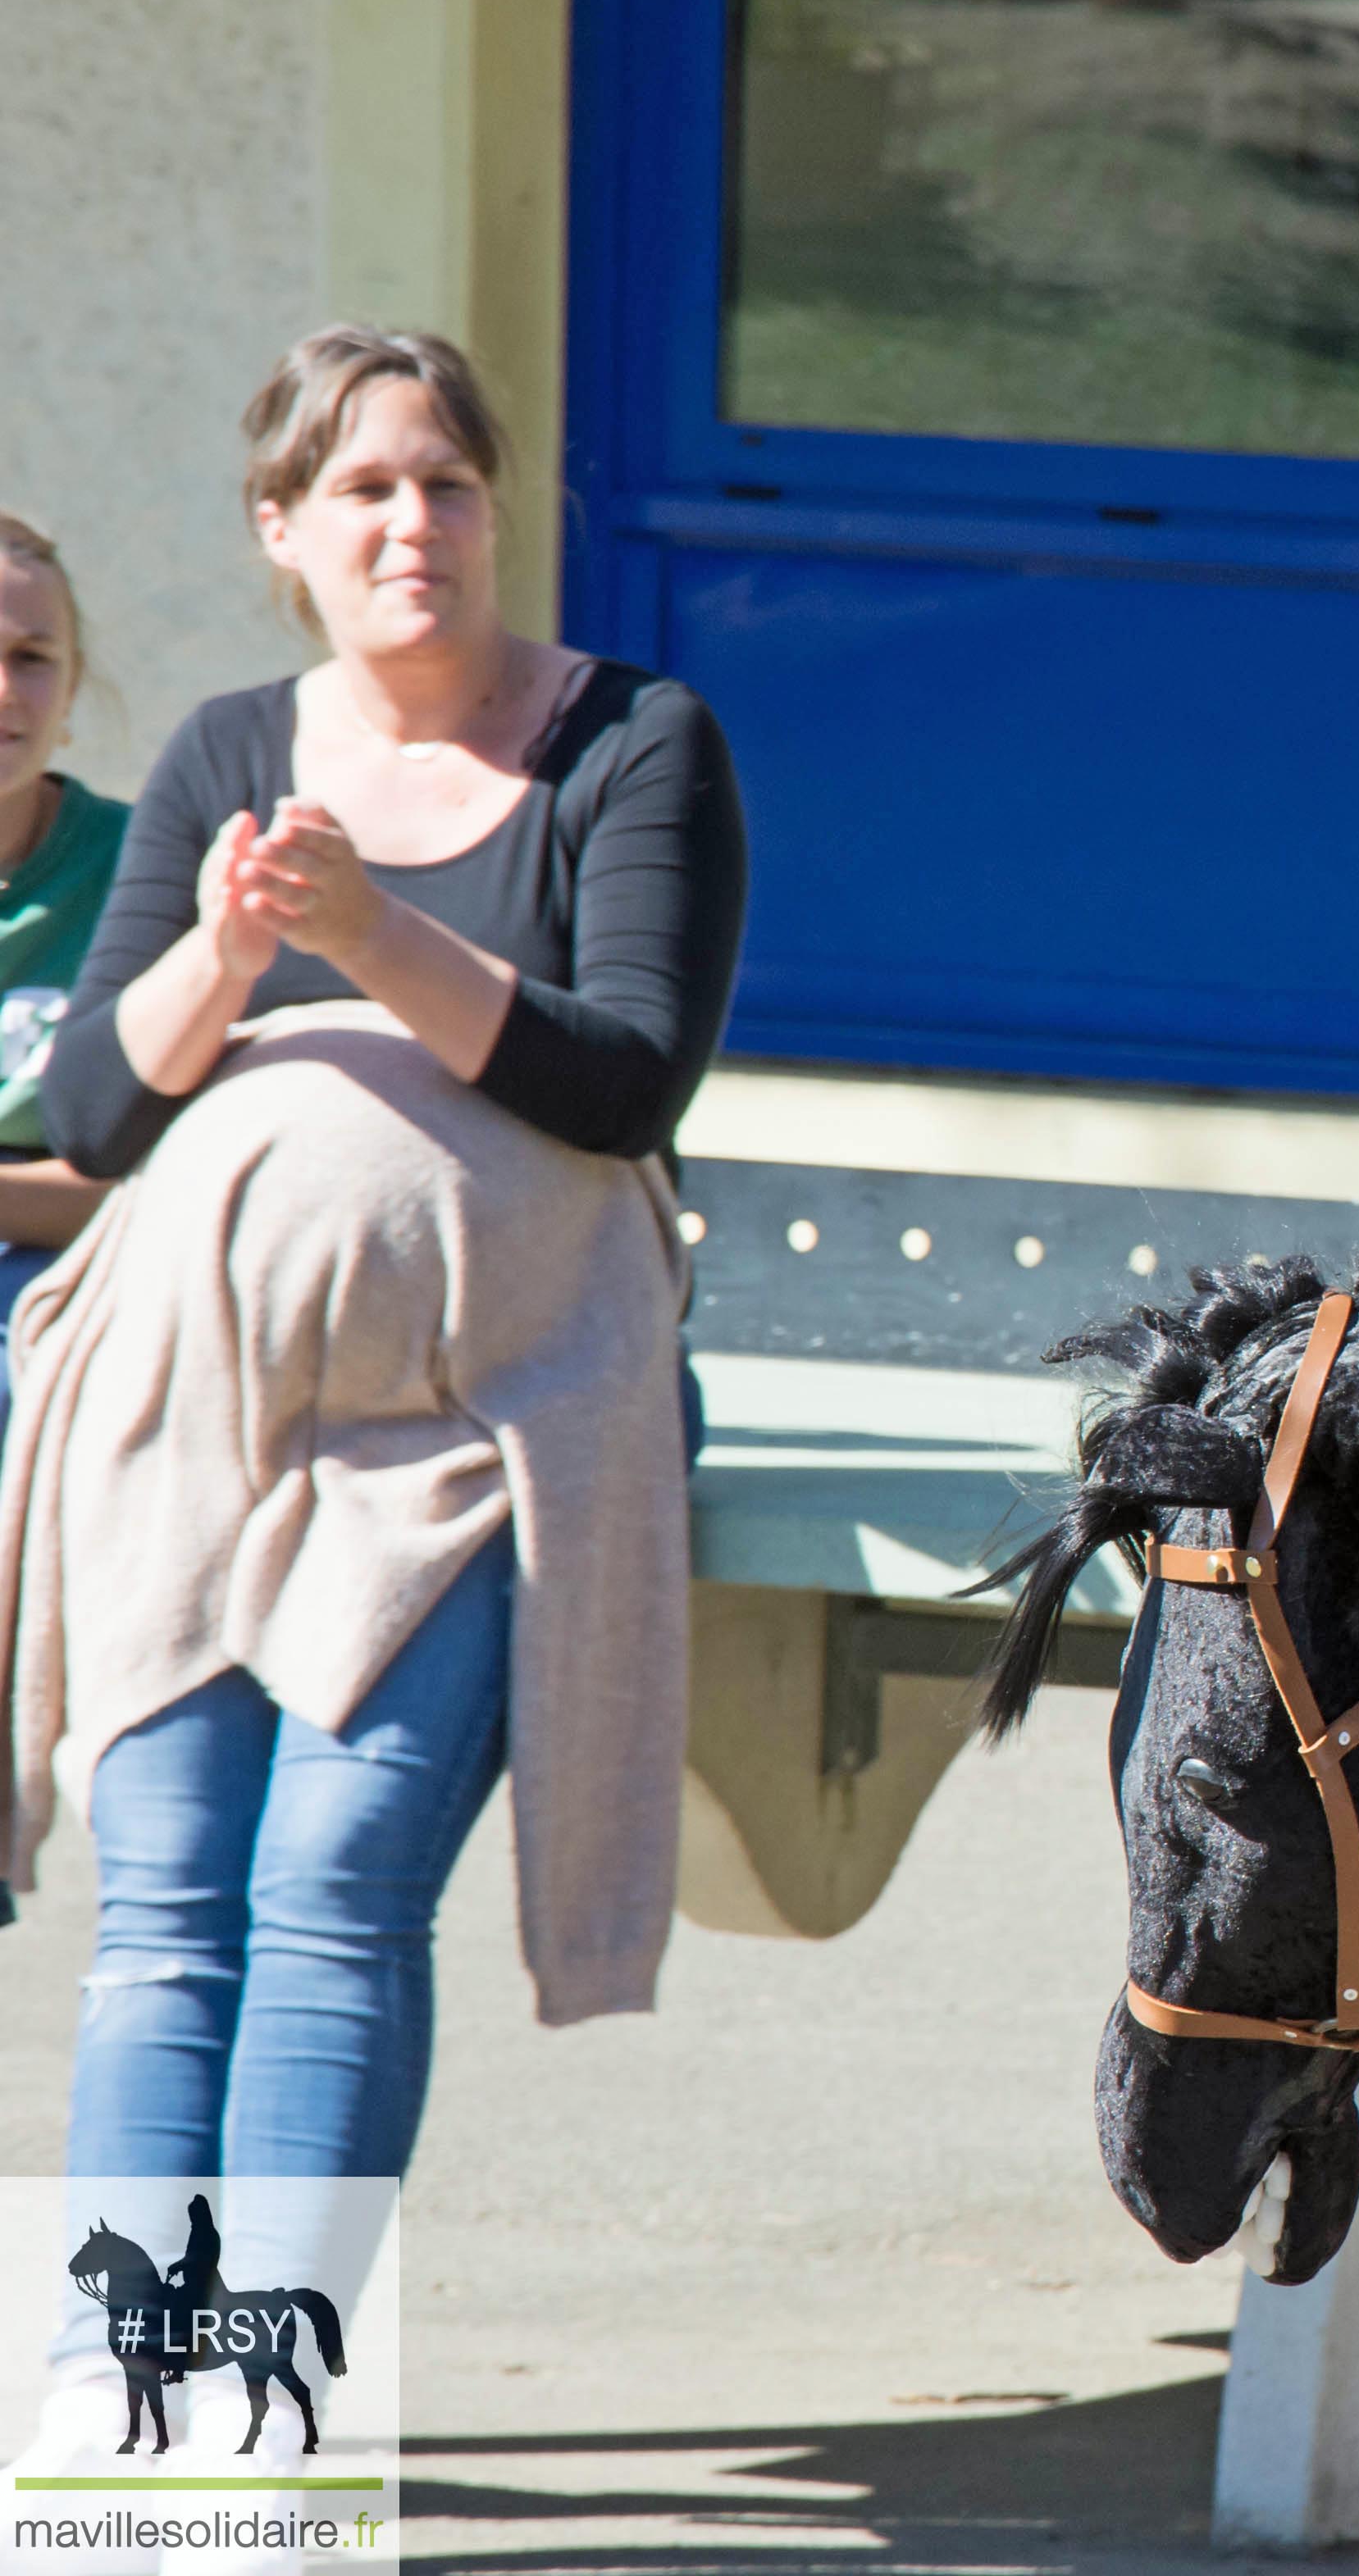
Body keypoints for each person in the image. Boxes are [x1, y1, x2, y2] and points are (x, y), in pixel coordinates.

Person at [3, 328, 745, 2463]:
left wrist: (371, 934)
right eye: (361, 493)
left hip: (492, 1421)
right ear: (284, 536)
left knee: (331, 1885)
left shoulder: (635, 742)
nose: (410, 525)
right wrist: (233, 952)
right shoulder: (237, 750)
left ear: (494, 512)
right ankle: (111, 2400)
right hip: (194, 1419)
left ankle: (265, 2415)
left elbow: (625, 1078)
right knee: (164, 1911)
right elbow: (85, 1106)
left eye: (444, 484)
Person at [0, 517, 120, 1383]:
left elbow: (168, 1181)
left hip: (81, 1280)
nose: (6, 690)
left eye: (33, 658)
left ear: (72, 689)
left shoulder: (147, 871)